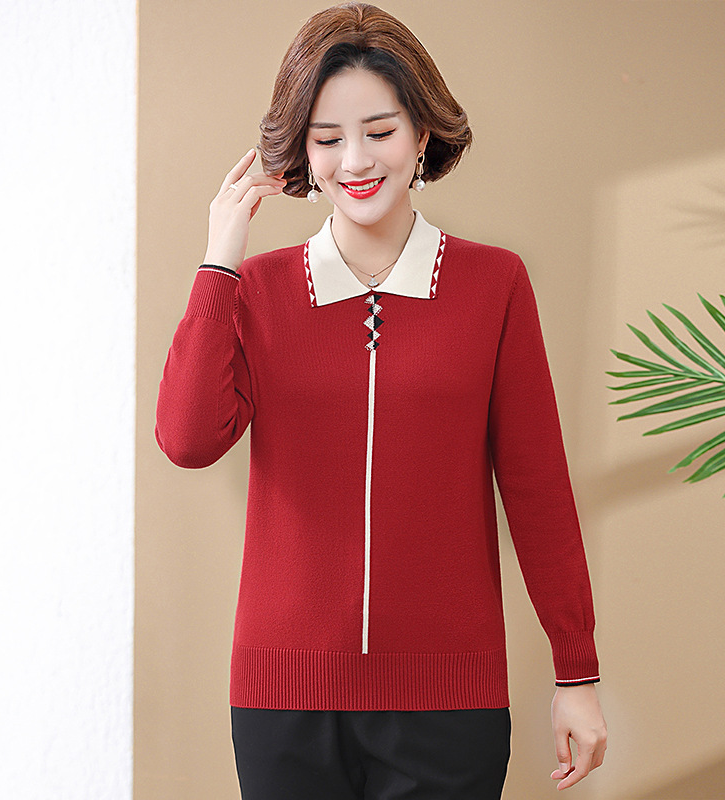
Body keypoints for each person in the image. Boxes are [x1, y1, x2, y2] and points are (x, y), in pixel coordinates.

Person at [155, 3, 607, 797]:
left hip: (450, 705)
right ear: (302, 151)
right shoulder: (256, 291)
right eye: (327, 139)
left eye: (380, 131)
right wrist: (220, 258)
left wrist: (577, 671)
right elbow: (188, 439)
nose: (356, 160)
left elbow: (537, 487)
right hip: (283, 703)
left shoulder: (494, 284)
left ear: (422, 133)